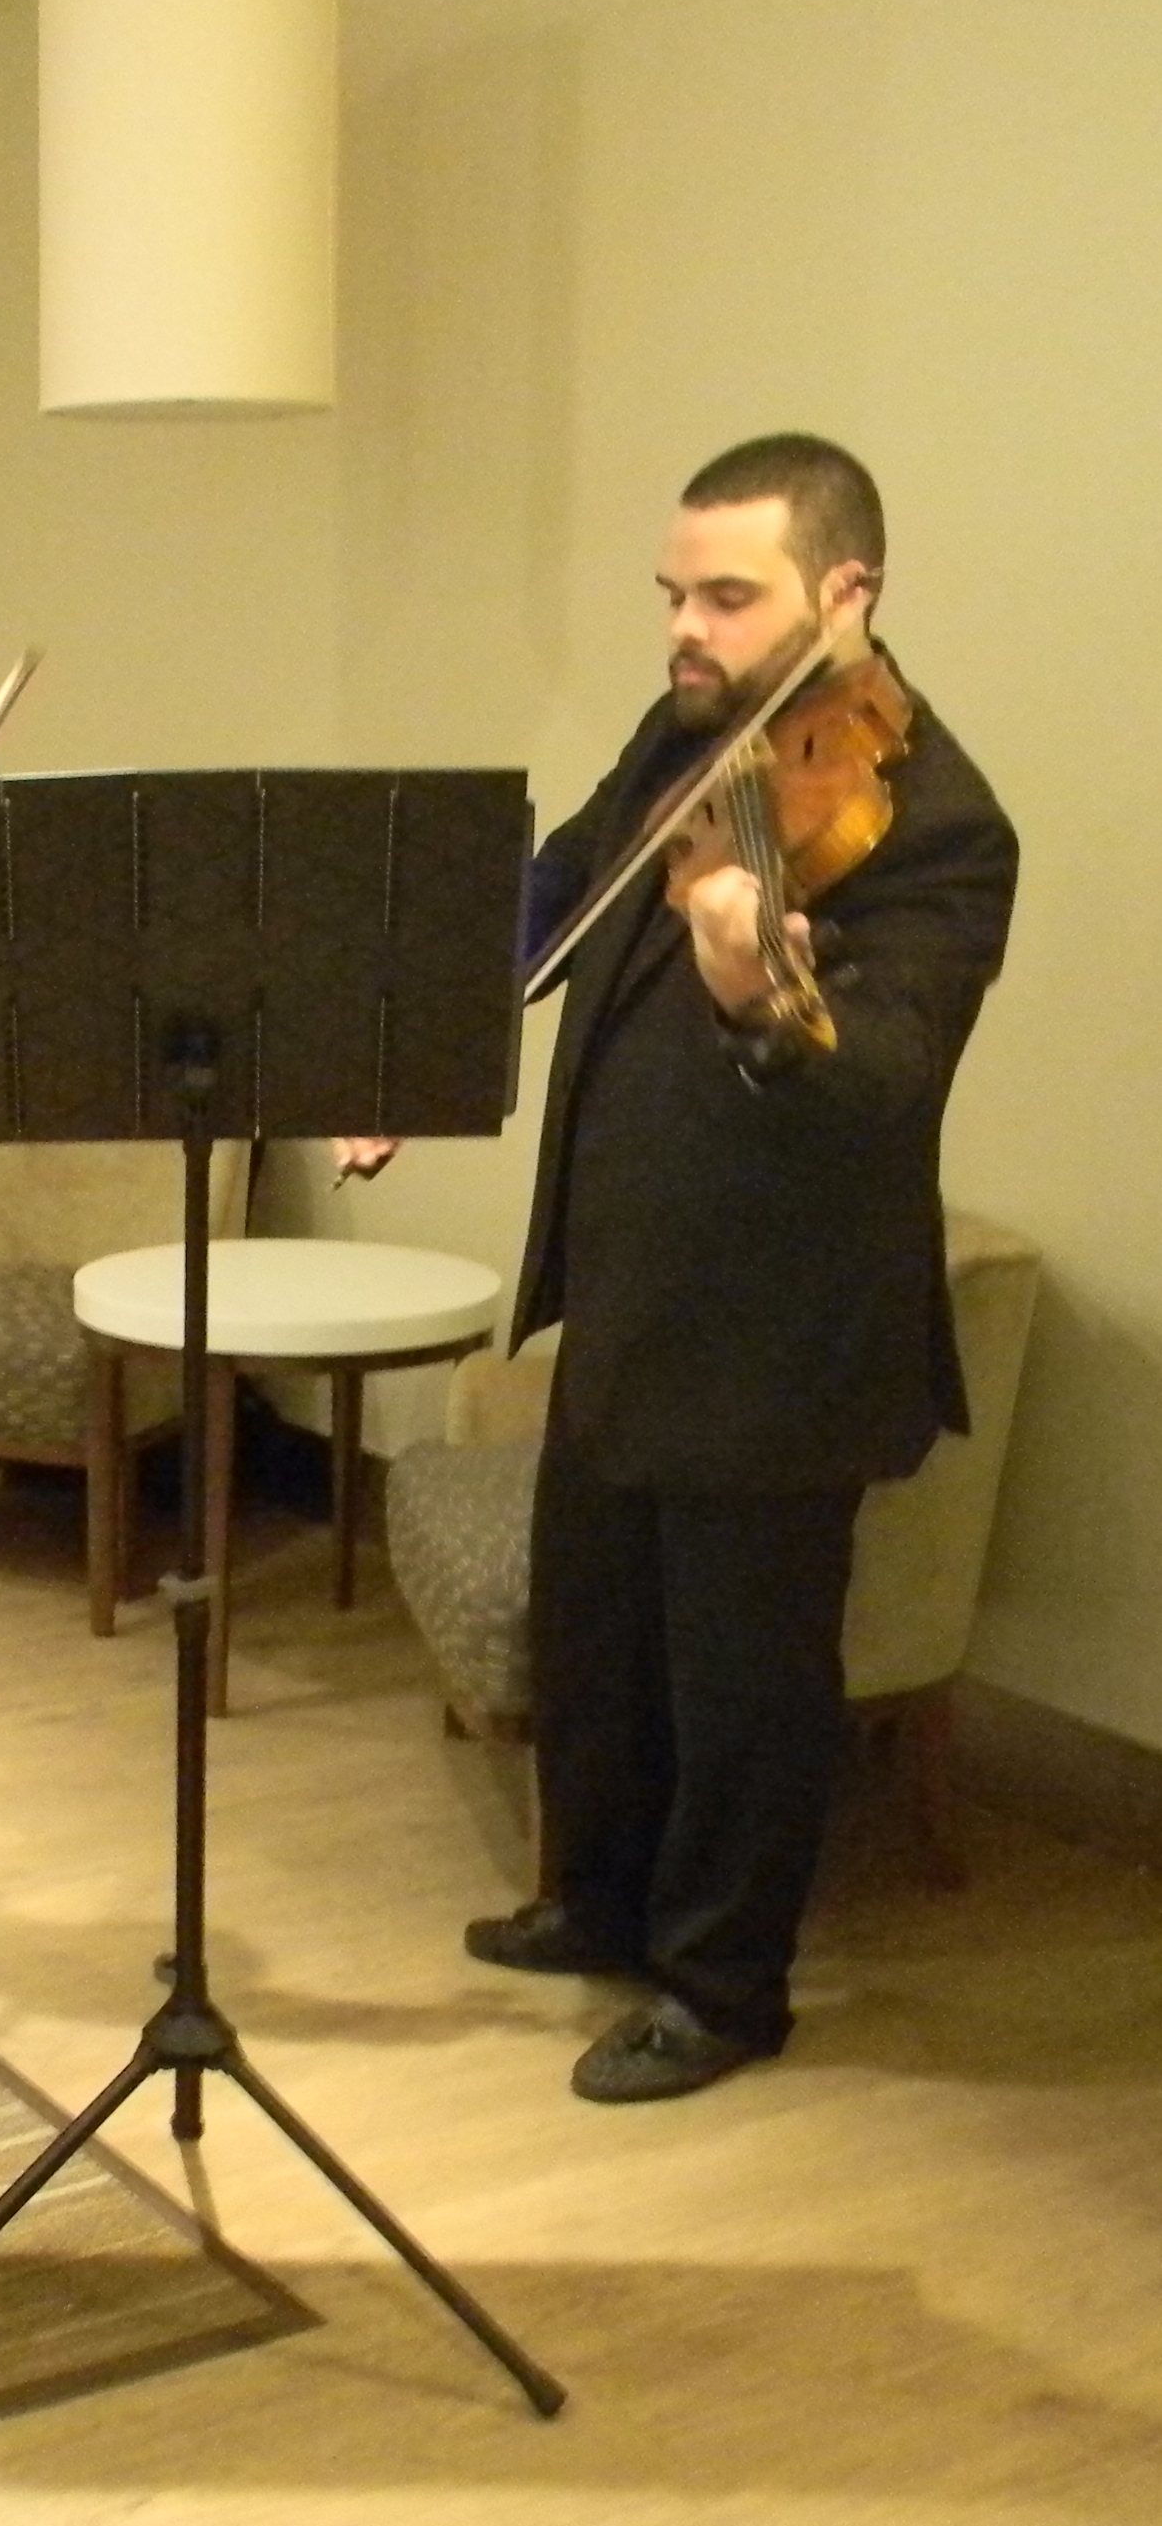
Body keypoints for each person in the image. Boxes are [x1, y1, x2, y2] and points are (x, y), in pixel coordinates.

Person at [344, 433, 1017, 2100]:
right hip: (635, 1289)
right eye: (673, 595)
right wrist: (423, 1047)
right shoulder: (690, 732)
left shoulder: (940, 827)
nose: (686, 630)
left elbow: (884, 1075)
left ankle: (724, 1986)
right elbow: (563, 886)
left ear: (846, 589)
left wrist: (757, 991)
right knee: (601, 1634)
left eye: (727, 595)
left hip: (782, 1332)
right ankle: (600, 1899)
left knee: (743, 1683)